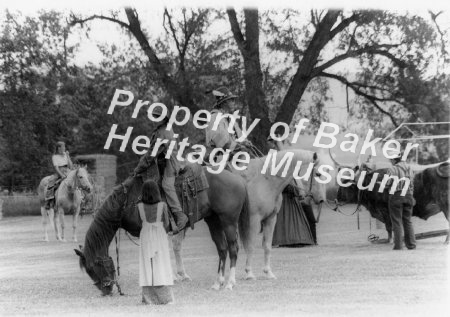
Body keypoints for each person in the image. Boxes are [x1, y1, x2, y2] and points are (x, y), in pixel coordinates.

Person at [134, 108, 188, 233]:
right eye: (153, 116)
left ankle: (180, 216)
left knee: (166, 185)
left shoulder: (163, 132)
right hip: (164, 163)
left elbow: (151, 154)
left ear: (164, 119)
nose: (154, 119)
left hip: (171, 163)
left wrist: (139, 168)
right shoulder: (161, 130)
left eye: (157, 117)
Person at [267, 135, 316, 246]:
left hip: (292, 193)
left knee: (299, 217)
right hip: (284, 193)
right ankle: (287, 239)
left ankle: (301, 238)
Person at [138, 180, 174, 305]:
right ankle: (165, 297)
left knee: (147, 265)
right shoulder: (162, 205)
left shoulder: (139, 206)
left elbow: (138, 223)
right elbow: (167, 223)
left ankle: (148, 298)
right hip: (159, 233)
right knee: (161, 263)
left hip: (146, 234)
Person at [205, 87, 253, 162]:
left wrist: (245, 142)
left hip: (232, 157)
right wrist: (239, 147)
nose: (234, 102)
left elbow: (240, 136)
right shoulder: (214, 118)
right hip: (217, 160)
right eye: (231, 100)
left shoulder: (230, 119)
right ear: (224, 102)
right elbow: (222, 142)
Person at [386, 150, 416, 250]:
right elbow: (412, 183)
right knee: (408, 221)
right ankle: (411, 245)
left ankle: (398, 246)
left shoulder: (392, 169)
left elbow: (387, 184)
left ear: (394, 159)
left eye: (391, 160)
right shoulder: (409, 167)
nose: (390, 161)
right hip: (408, 195)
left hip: (396, 196)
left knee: (396, 221)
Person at [44, 141, 74, 209]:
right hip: (59, 171)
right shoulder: (55, 156)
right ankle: (49, 201)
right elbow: (56, 168)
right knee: (51, 182)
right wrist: (61, 175)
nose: (64, 148)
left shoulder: (65, 155)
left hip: (68, 171)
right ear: (59, 148)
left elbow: (71, 166)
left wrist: (68, 156)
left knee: (77, 180)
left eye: (64, 146)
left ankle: (82, 199)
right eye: (63, 146)